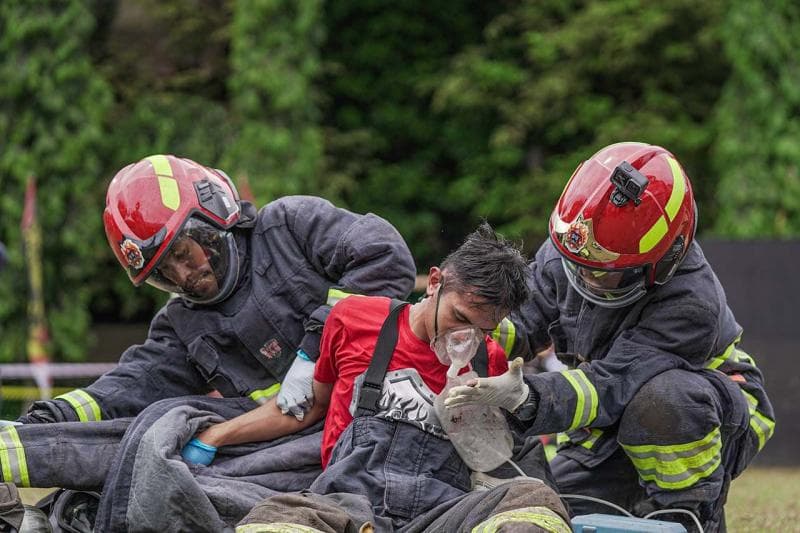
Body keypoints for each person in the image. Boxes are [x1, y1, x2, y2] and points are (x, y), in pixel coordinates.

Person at [0, 154, 416, 531]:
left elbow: (382, 253)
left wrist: (315, 351)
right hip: (284, 449)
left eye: (183, 253)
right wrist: (46, 418)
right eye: (164, 273)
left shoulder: (289, 227)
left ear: (214, 214)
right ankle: (16, 452)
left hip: (374, 419)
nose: (183, 276)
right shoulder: (182, 324)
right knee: (166, 424)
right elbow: (126, 388)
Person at [444, 142, 775, 532]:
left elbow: (612, 386)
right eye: (578, 265)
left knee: (665, 399)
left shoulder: (690, 301)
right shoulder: (576, 247)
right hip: (611, 425)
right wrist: (463, 327)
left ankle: (686, 516)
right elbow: (524, 320)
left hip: (702, 412)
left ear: (662, 261)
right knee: (541, 506)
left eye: (603, 272)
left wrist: (525, 397)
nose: (585, 276)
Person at [190, 223, 572, 532]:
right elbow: (308, 410)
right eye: (459, 318)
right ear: (435, 282)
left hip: (439, 514)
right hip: (345, 506)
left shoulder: (489, 361)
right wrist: (216, 436)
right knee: (275, 520)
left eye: (483, 330)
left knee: (533, 502)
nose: (465, 337)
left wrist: (513, 407)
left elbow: (488, 460)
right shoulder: (355, 318)